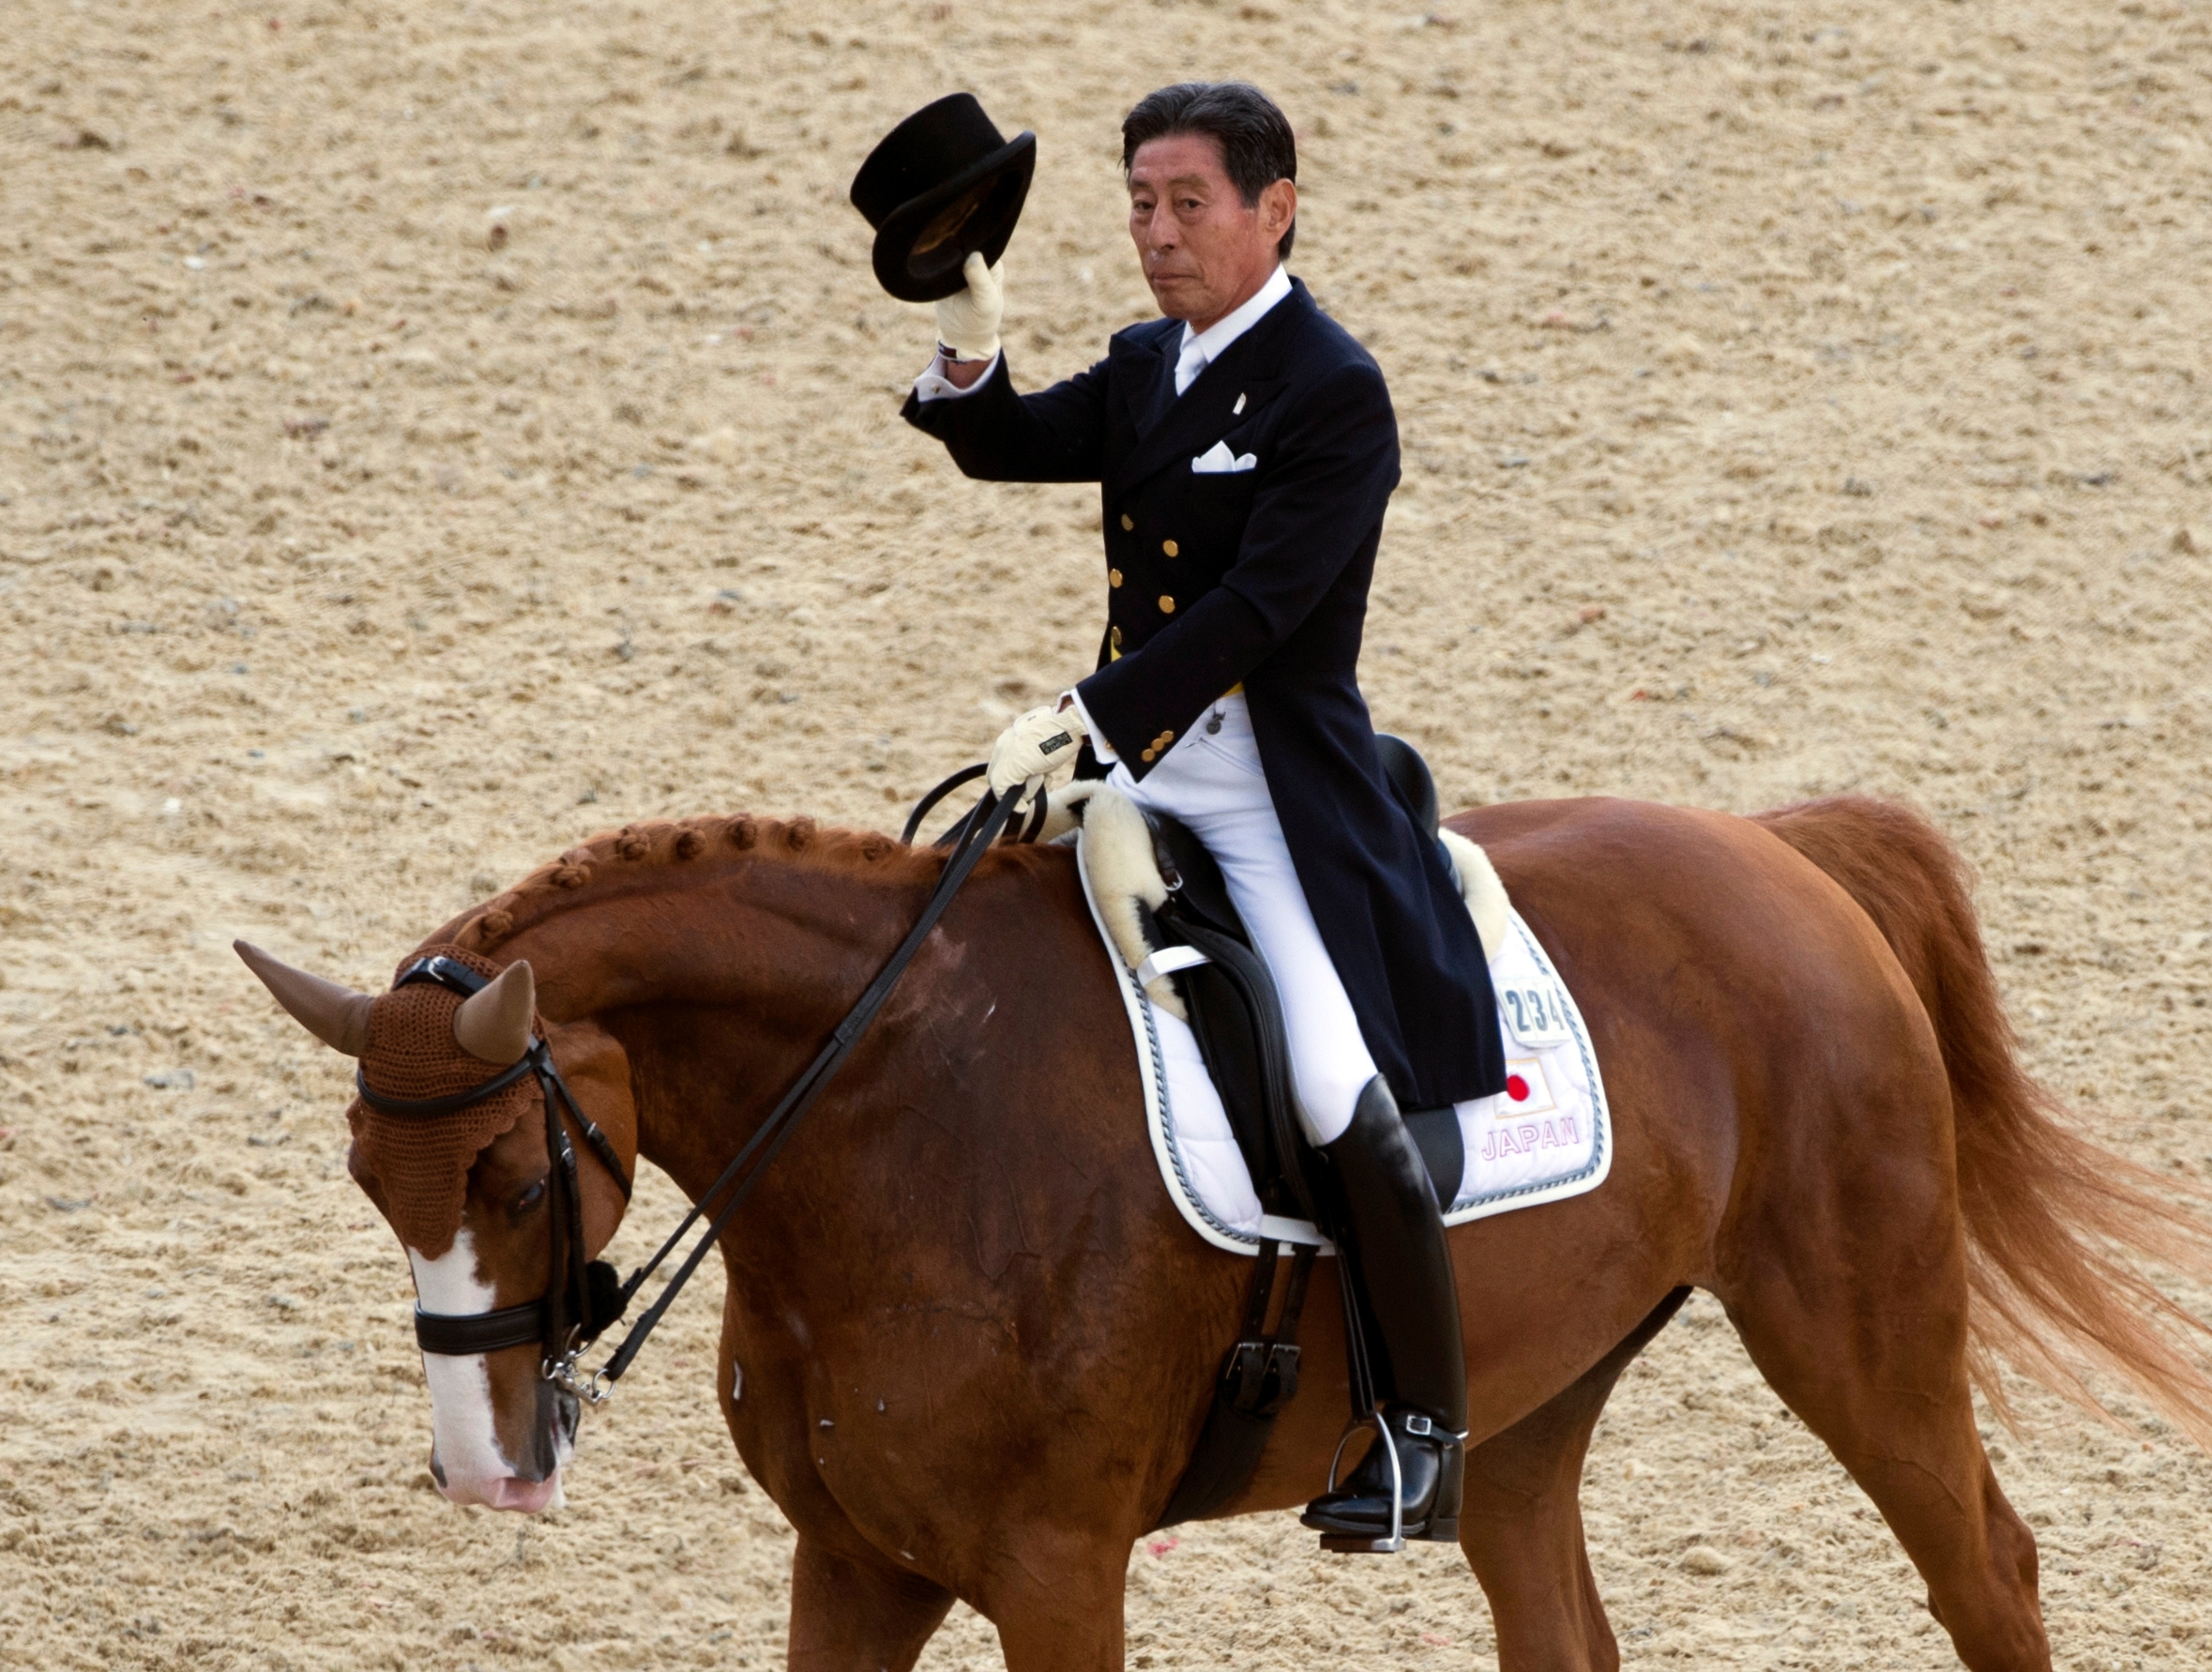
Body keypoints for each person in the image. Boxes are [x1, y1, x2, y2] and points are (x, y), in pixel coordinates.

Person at [901, 81, 1507, 1548]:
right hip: (1133, 761)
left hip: (1265, 790)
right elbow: (1001, 444)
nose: (1156, 234)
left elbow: (1261, 605)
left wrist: (1093, 712)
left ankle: (1422, 1431)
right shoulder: (1145, 364)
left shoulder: (1331, 388)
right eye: (1137, 205)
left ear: (1272, 206)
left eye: (1186, 204)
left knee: (1321, 1080)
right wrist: (972, 344)